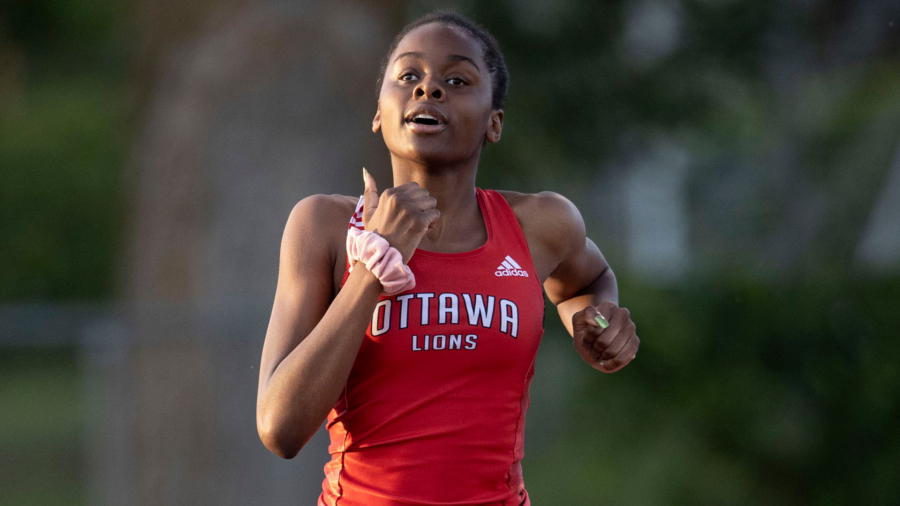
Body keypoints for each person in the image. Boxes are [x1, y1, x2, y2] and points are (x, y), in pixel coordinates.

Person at [256, 10, 640, 506]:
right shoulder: (324, 228)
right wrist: (375, 263)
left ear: (493, 123)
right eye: (408, 75)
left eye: (456, 80)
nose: (428, 89)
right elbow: (280, 428)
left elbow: (590, 279)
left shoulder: (541, 225)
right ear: (379, 112)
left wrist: (594, 320)